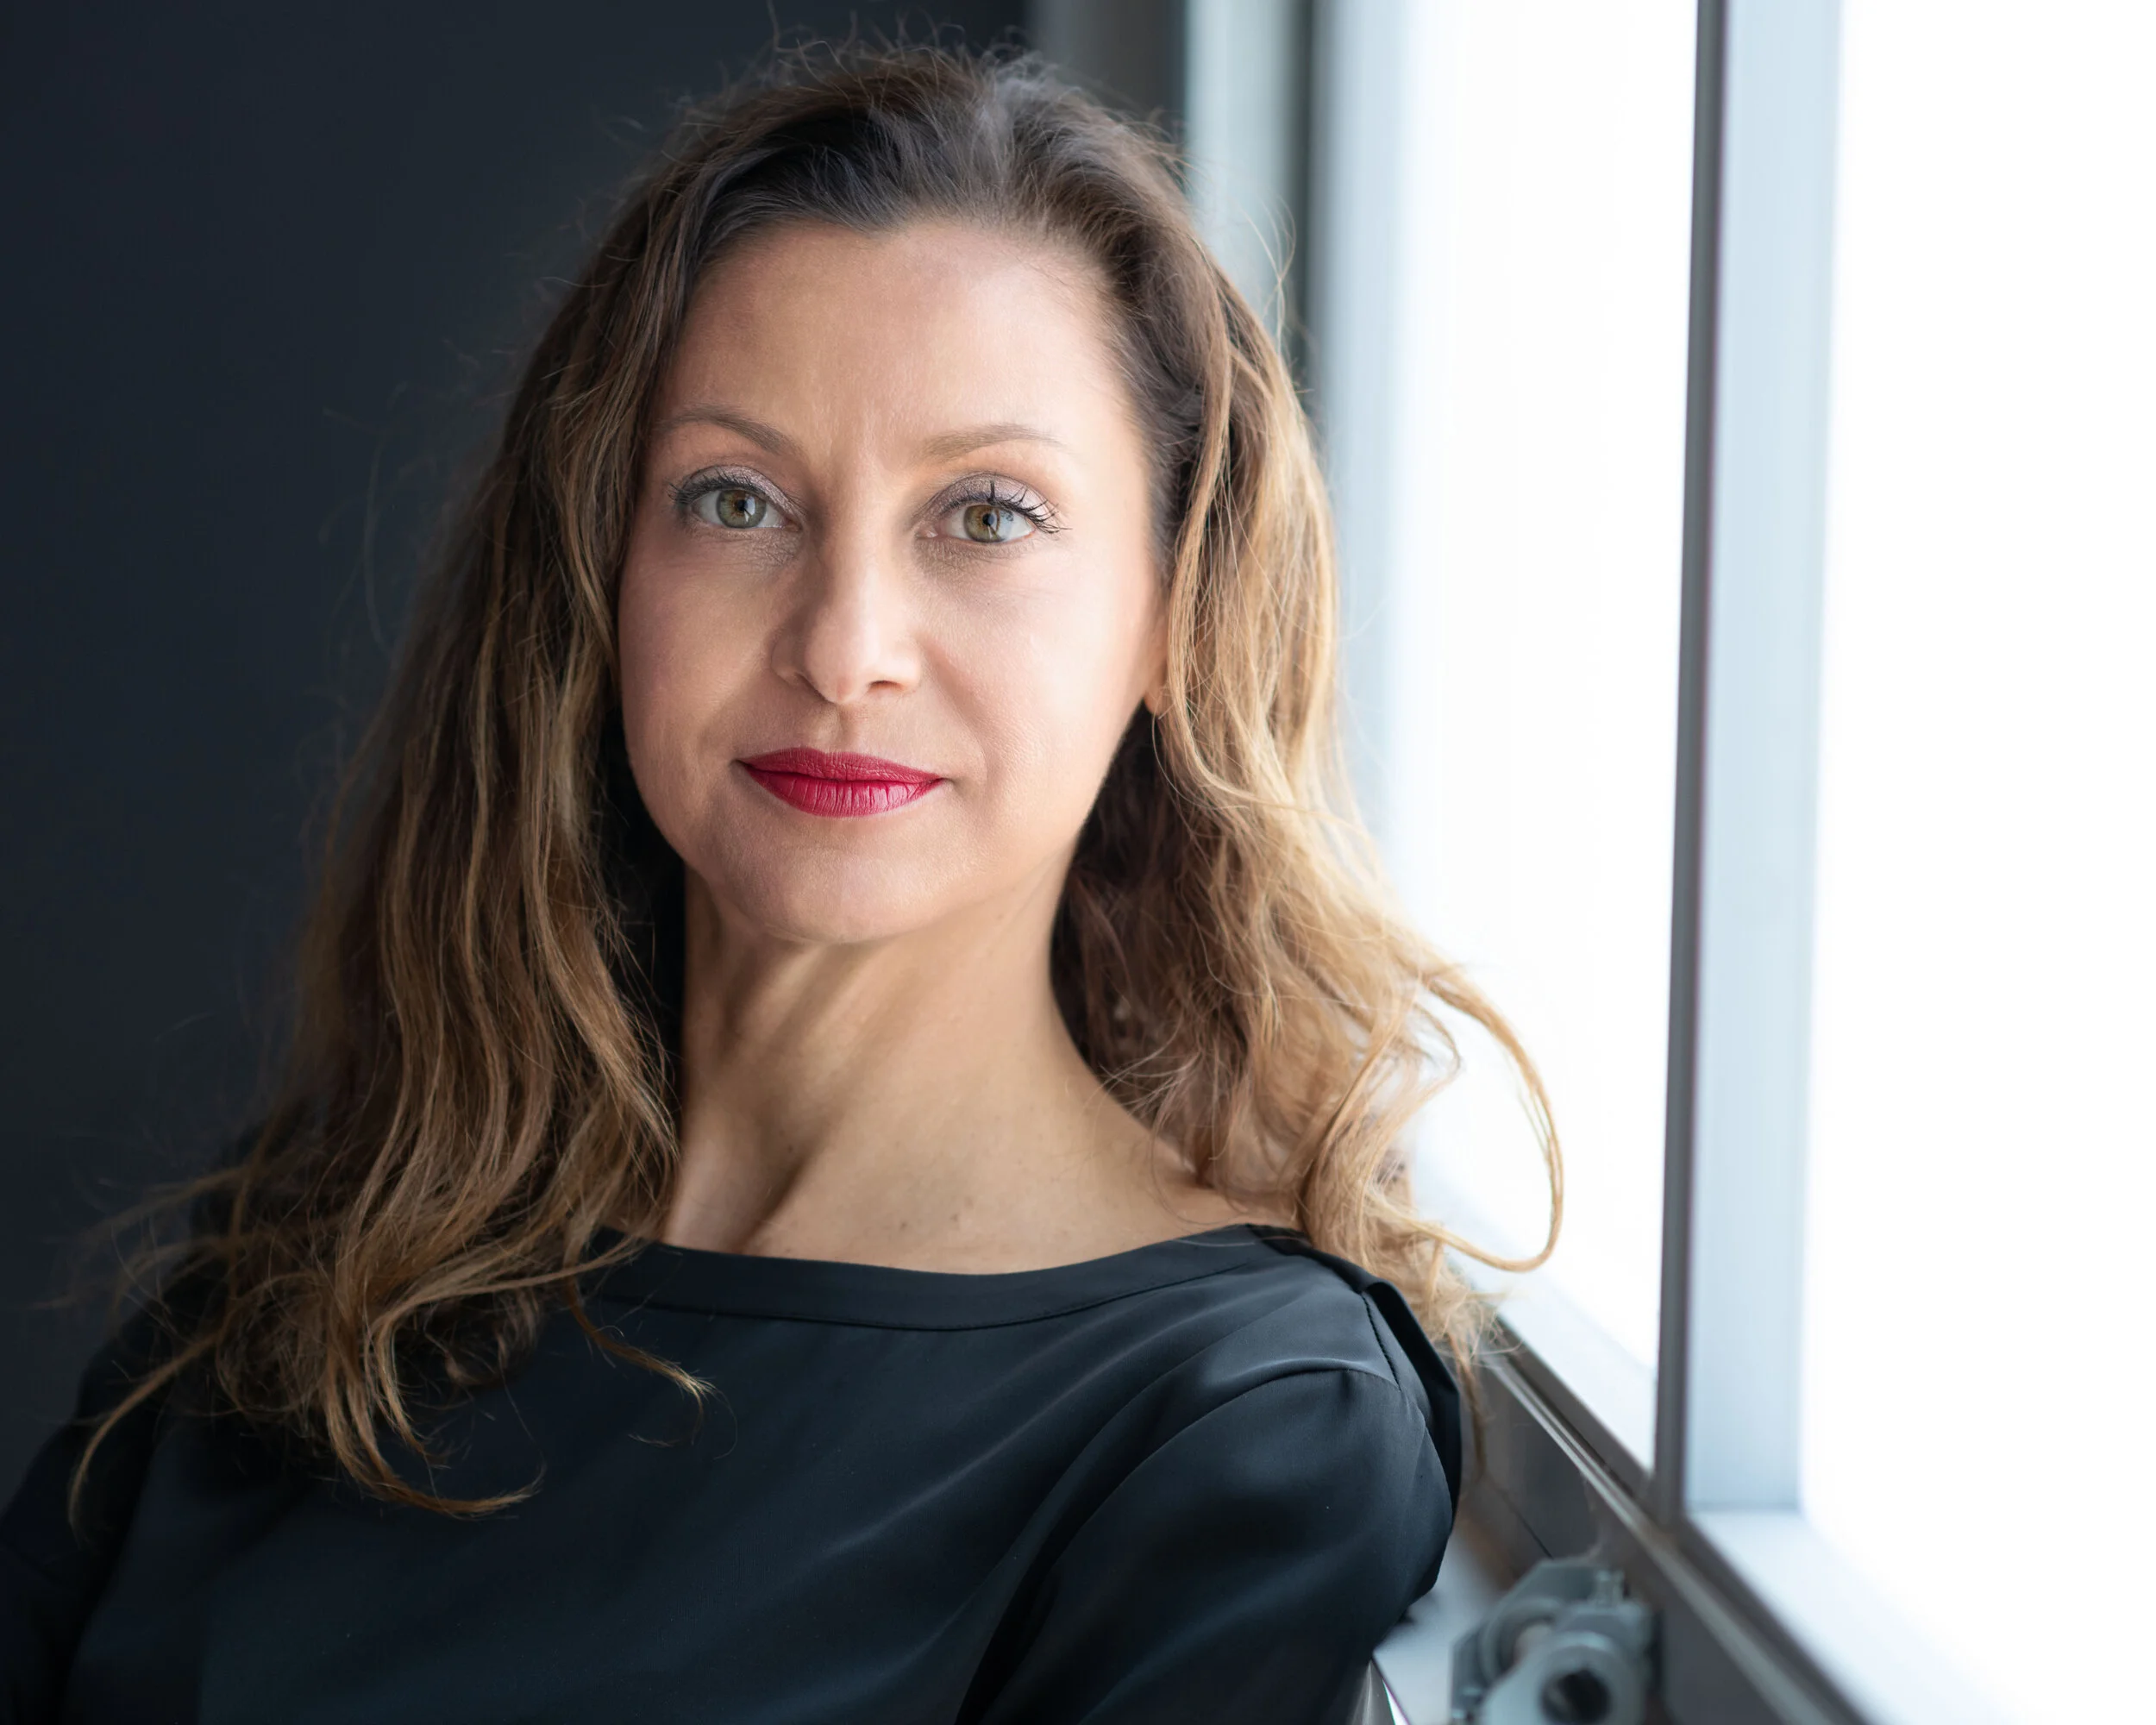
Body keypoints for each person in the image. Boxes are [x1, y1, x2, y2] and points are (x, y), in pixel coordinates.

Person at [0, 43, 1557, 1724]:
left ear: (1176, 615)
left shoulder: (1238, 1420)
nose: (842, 646)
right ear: (604, 573)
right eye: (735, 500)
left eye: (985, 516)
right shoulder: (336, 1245)